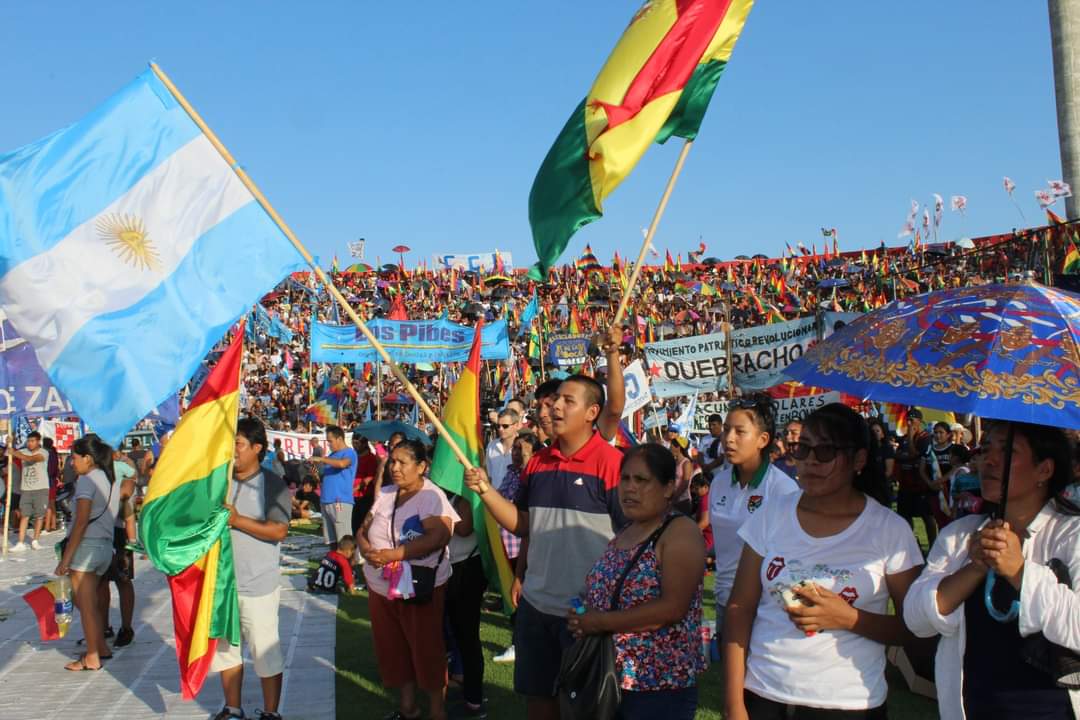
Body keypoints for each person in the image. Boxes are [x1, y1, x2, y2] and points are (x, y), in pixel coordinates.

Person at [723, 404, 923, 719]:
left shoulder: (889, 530)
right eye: (803, 449)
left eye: (826, 451)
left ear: (858, 459)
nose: (811, 461)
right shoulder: (771, 514)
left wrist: (848, 618)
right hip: (763, 694)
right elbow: (740, 607)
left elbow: (917, 629)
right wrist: (734, 702)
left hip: (848, 704)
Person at [465, 374, 625, 720]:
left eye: (568, 400)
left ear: (591, 412)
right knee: (538, 701)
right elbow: (525, 525)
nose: (554, 406)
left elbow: (631, 540)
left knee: (586, 708)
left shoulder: (611, 465)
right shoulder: (537, 463)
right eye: (555, 400)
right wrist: (485, 491)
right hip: (537, 607)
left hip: (587, 615)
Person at [904, 422, 1080, 719]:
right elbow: (916, 619)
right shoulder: (960, 535)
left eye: (1008, 451)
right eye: (986, 450)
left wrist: (1019, 571)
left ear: (1044, 470)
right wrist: (974, 568)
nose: (990, 460)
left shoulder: (1072, 535)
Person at [568, 444, 707, 720]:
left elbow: (672, 608)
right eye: (625, 479)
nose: (629, 488)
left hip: (657, 686)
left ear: (668, 487)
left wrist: (600, 622)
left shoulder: (679, 532)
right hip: (609, 677)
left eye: (641, 480)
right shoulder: (625, 532)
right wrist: (582, 616)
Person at [358, 439, 458, 720]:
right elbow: (363, 528)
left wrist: (395, 554)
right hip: (381, 586)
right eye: (392, 461)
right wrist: (366, 549)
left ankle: (437, 711)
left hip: (419, 586)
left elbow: (439, 536)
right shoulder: (386, 494)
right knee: (393, 646)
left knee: (426, 648)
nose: (394, 467)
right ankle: (408, 707)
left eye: (402, 462)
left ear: (422, 466)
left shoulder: (431, 496)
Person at [212, 417, 291, 720]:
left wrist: (237, 520)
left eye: (239, 444)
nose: (232, 450)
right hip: (223, 583)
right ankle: (233, 709)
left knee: (265, 653)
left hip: (258, 583)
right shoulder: (219, 481)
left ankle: (271, 713)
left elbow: (279, 530)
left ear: (257, 448)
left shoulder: (271, 484)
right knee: (227, 651)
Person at [708, 394, 798, 630]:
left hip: (766, 608)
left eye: (739, 432)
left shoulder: (783, 488)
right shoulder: (719, 483)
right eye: (726, 430)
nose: (728, 439)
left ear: (763, 439)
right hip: (723, 601)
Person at [54, 434, 120, 672]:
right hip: (105, 546)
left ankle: (92, 656)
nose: (72, 463)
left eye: (74, 458)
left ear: (88, 458)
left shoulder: (86, 481)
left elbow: (81, 522)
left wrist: (66, 558)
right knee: (89, 603)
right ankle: (100, 646)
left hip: (87, 547)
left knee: (87, 605)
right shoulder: (109, 478)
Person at [492, 431, 544, 665]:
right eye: (514, 449)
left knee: (522, 594)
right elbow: (503, 499)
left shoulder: (535, 476)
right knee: (512, 594)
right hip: (506, 542)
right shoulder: (511, 472)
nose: (515, 453)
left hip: (523, 544)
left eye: (521, 449)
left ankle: (520, 643)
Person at [444, 489, 489, 718]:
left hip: (467, 569)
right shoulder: (449, 496)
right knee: (456, 635)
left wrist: (439, 515)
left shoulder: (465, 497)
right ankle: (466, 687)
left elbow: (464, 529)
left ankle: (474, 700)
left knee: (467, 636)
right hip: (452, 570)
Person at [309, 424, 358, 550]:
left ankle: (347, 567)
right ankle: (335, 565)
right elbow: (324, 480)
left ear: (340, 439)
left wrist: (322, 459)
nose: (329, 444)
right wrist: (316, 476)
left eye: (330, 441)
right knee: (331, 540)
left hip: (340, 500)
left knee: (344, 541)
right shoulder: (331, 457)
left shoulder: (350, 453)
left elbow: (342, 464)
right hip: (326, 501)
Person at [895, 409, 937, 551]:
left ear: (919, 421)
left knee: (927, 516)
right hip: (905, 484)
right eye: (907, 420)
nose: (909, 423)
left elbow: (915, 454)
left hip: (921, 484)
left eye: (912, 420)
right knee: (905, 516)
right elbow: (899, 456)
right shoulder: (903, 438)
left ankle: (932, 545)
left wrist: (912, 437)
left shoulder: (925, 437)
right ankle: (912, 544)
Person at [9, 431, 49, 552]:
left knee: (39, 516)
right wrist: (9, 443)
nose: (30, 443)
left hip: (41, 488)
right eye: (29, 441)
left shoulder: (44, 452)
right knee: (24, 515)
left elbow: (31, 459)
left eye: (33, 441)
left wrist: (15, 452)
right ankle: (20, 542)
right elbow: (8, 454)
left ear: (38, 441)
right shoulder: (23, 451)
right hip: (26, 489)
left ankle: (35, 540)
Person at [485, 408, 520, 491]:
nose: (500, 429)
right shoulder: (491, 445)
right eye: (498, 426)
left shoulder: (523, 447)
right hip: (494, 497)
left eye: (505, 426)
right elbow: (489, 475)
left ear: (516, 425)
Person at [350, 435, 379, 536]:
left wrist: (356, 488)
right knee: (354, 525)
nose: (354, 445)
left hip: (365, 496)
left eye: (357, 443)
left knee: (363, 525)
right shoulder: (354, 457)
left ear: (364, 444)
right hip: (354, 496)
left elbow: (370, 477)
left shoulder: (371, 458)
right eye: (353, 442)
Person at [669, 436, 697, 516]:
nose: (670, 447)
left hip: (683, 501)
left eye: (673, 445)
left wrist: (674, 497)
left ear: (679, 448)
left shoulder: (686, 463)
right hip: (673, 499)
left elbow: (685, 483)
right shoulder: (674, 462)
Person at [695, 414, 725, 479]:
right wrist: (703, 466)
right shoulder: (704, 438)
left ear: (721, 425)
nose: (711, 427)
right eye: (709, 425)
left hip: (719, 474)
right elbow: (700, 454)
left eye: (714, 425)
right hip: (705, 474)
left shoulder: (725, 439)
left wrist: (709, 467)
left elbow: (722, 457)